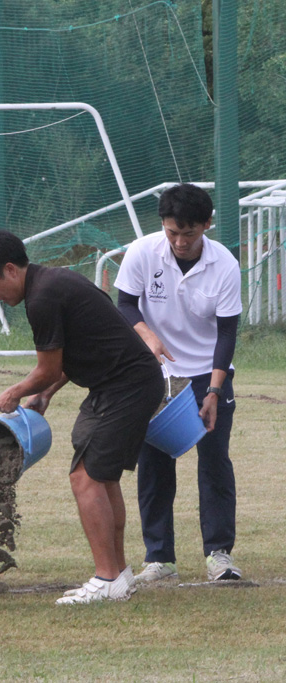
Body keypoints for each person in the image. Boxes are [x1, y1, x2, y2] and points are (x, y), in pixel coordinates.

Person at [0, 230, 164, 605]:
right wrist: (45, 394)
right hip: (126, 383)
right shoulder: (53, 281)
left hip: (124, 386)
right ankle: (118, 573)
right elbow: (76, 351)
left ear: (10, 270)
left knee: (84, 478)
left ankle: (105, 577)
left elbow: (46, 367)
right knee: (102, 479)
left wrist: (15, 393)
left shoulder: (42, 297)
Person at [114, 183, 243, 583]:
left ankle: (218, 555)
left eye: (189, 233)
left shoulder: (224, 265)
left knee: (214, 461)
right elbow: (124, 304)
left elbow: (226, 333)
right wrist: (147, 336)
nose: (180, 242)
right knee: (153, 463)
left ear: (207, 225)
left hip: (209, 370)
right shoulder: (142, 252)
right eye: (172, 232)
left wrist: (215, 391)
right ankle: (160, 558)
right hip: (157, 371)